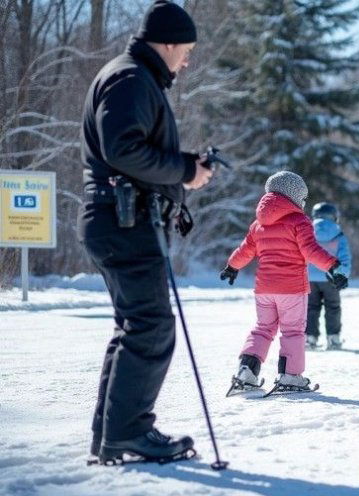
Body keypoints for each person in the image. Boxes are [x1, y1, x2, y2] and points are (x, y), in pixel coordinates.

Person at [80, 0, 214, 464]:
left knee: (135, 326)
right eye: (187, 49)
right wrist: (181, 170)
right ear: (169, 42)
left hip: (119, 219)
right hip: (124, 222)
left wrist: (186, 166)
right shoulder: (131, 77)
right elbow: (121, 148)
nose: (188, 59)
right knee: (151, 326)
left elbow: (131, 148)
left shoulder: (133, 77)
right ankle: (129, 434)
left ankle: (112, 436)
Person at [220, 172, 346, 393]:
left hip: (264, 289)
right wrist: (332, 266)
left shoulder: (257, 224)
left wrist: (232, 266)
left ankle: (246, 371)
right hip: (291, 288)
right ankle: (290, 376)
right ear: (295, 196)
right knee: (293, 331)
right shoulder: (300, 221)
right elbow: (310, 250)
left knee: (262, 329)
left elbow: (245, 250)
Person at [305, 202, 351, 350]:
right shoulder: (338, 234)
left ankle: (310, 338)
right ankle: (333, 338)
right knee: (333, 307)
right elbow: (345, 258)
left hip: (309, 277)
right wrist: (343, 275)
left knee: (311, 308)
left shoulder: (307, 231)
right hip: (332, 277)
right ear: (334, 216)